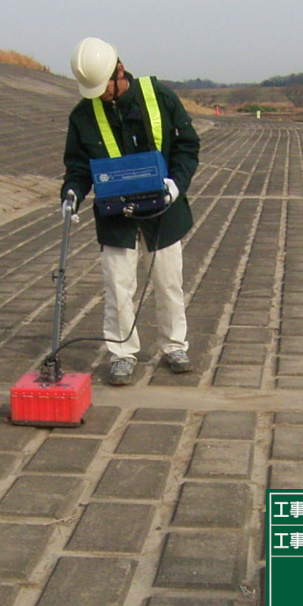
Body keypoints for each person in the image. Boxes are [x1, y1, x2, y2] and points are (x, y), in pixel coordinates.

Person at [61, 37, 200, 386]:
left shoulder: (159, 96)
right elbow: (78, 166)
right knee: (118, 287)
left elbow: (187, 145)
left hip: (164, 210)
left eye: (104, 87)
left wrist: (177, 183)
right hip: (115, 215)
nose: (99, 95)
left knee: (169, 282)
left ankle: (174, 346)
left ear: (119, 71)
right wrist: (71, 195)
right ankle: (122, 353)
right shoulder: (82, 114)